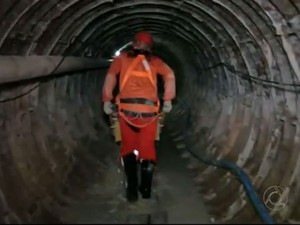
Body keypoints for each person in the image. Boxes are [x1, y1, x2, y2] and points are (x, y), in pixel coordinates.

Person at [101, 31, 176, 202]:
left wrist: (107, 100)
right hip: (149, 114)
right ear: (150, 47)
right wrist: (168, 100)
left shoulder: (121, 59)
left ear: (133, 44)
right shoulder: (156, 61)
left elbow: (111, 77)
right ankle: (146, 190)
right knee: (147, 149)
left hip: (126, 112)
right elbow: (170, 75)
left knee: (128, 148)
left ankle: (132, 190)